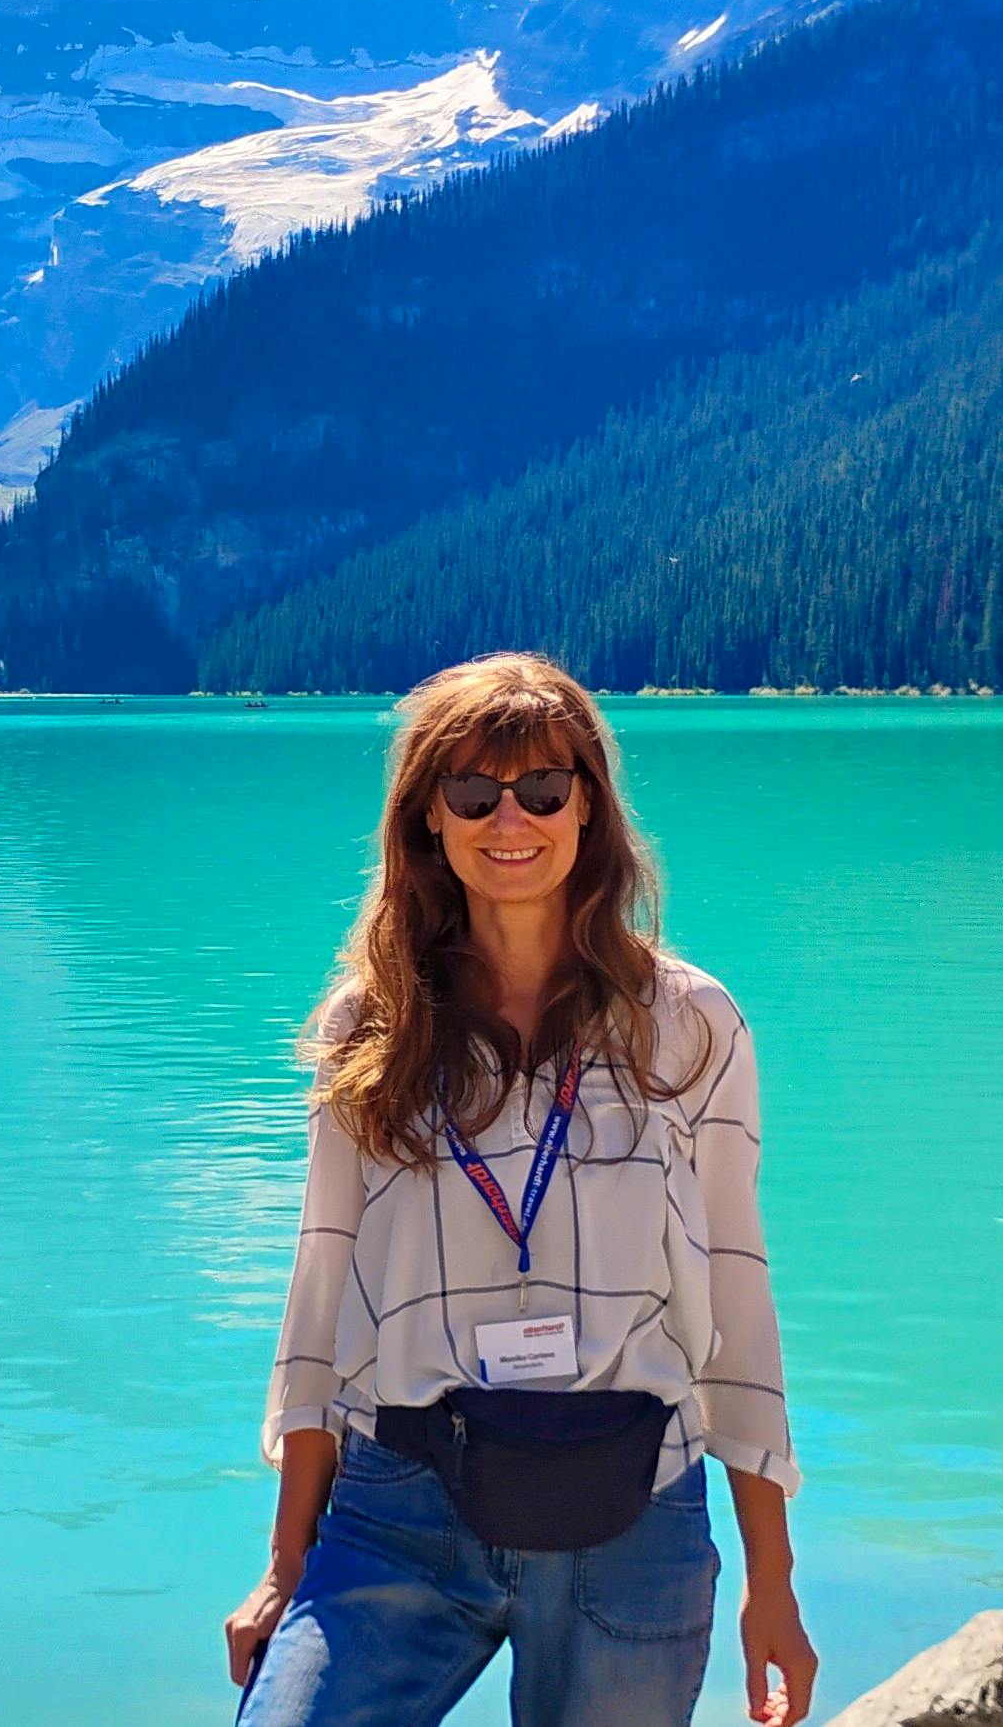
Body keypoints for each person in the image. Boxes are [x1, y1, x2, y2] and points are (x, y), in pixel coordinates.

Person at [229, 653, 818, 1726]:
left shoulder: (689, 1025)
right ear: (429, 821)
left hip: (631, 1510)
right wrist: (282, 1562)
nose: (512, 817)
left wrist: (771, 1581)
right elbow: (318, 1299)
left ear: (587, 808)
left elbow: (737, 1296)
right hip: (398, 1505)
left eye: (543, 788)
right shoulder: (368, 1025)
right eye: (474, 791)